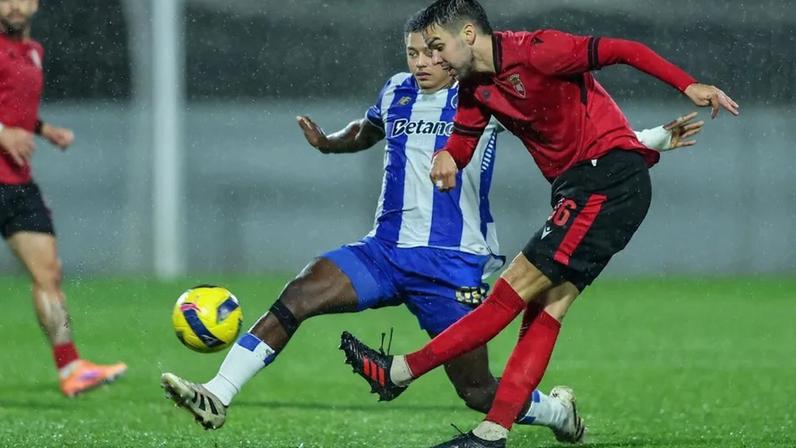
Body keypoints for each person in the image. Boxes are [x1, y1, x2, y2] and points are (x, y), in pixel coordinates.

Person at [160, 10, 703, 441]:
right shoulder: (397, 88)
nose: (421, 61)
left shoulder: (485, 94)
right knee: (301, 292)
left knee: (475, 389)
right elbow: (368, 128)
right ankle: (218, 394)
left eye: (431, 50)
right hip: (384, 251)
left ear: (456, 50)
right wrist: (331, 143)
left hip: (452, 263)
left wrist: (653, 138)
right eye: (412, 52)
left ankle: (557, 414)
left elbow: (567, 131)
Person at [339, 1, 736, 447]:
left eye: (437, 46)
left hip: (605, 180)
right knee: (546, 305)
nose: (431, 60)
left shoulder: (539, 50)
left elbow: (623, 48)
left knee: (509, 293)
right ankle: (492, 433)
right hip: (587, 187)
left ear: (468, 35)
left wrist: (688, 84)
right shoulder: (474, 85)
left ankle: (401, 371)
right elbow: (466, 136)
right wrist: (449, 155)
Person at [0, 0, 127, 397]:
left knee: (49, 274)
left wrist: (43, 128)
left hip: (16, 183)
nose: (14, 5)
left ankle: (71, 368)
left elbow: (13, 107)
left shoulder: (33, 51)